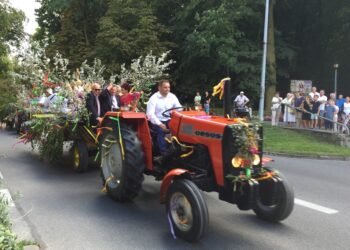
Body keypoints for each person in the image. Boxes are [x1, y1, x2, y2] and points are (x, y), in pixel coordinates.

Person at [146, 79, 181, 156]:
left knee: (179, 129)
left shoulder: (172, 96)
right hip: (157, 121)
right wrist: (160, 124)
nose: (167, 89)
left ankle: (179, 149)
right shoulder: (153, 98)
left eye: (168, 87)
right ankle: (164, 153)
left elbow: (179, 108)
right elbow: (150, 114)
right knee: (162, 131)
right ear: (159, 88)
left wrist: (176, 110)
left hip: (169, 120)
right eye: (165, 87)